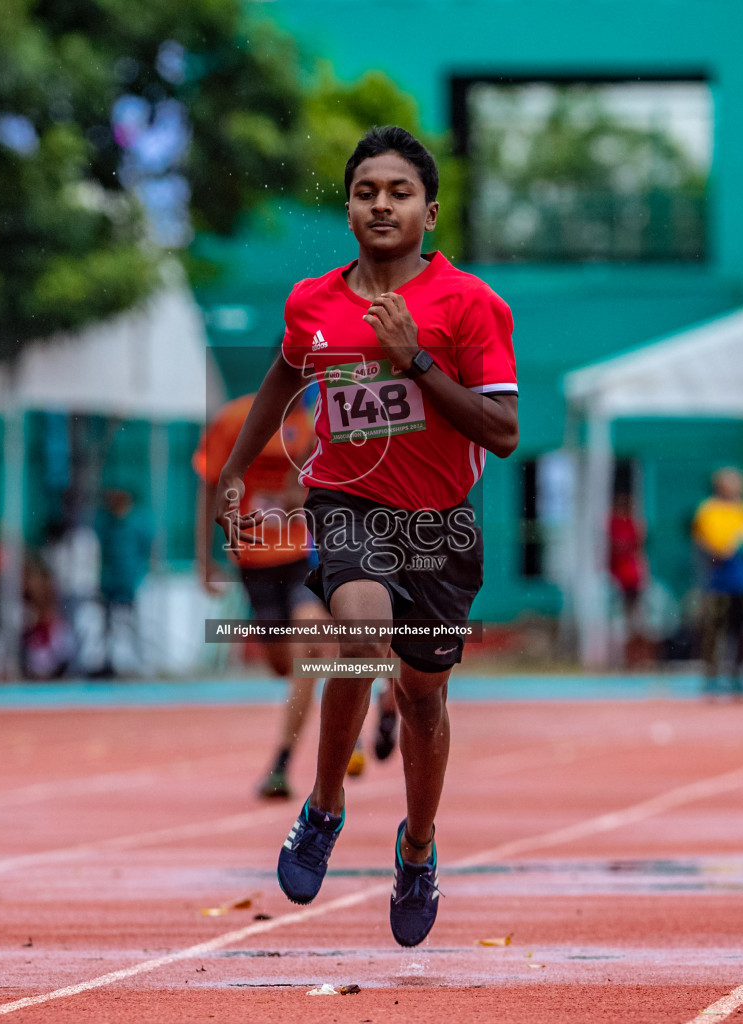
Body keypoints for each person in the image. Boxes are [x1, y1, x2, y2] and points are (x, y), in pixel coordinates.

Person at [213, 126, 518, 947]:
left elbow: (503, 431)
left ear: (431, 210)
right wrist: (238, 468)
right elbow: (284, 373)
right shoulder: (312, 301)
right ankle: (323, 807)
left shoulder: (471, 304)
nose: (382, 203)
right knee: (356, 631)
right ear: (348, 210)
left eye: (400, 191)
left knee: (422, 699)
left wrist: (414, 360)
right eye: (366, 192)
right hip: (347, 504)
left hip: (442, 525)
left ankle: (417, 850)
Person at [195, 390, 374, 800]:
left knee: (314, 647)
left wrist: (306, 503)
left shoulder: (317, 424)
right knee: (283, 664)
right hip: (253, 562)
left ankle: (303, 754)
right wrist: (203, 558)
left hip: (301, 556)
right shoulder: (234, 420)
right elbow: (209, 486)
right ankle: (348, 722)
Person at [692, 467, 743, 700]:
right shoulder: (708, 510)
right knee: (714, 631)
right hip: (717, 584)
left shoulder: (742, 510)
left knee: (741, 631)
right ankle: (711, 677)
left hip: (742, 583)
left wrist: (736, 541)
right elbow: (717, 546)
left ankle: (738, 677)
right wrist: (738, 540)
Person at [91, 489, 152, 677]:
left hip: (127, 583)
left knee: (133, 624)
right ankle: (107, 661)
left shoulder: (134, 526)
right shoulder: (106, 525)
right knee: (107, 627)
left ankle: (140, 663)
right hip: (110, 583)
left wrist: (137, 578)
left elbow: (144, 553)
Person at [608, 491, 651, 667]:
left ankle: (636, 658)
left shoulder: (631, 524)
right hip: (616, 579)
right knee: (623, 620)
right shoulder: (612, 524)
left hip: (631, 579)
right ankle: (623, 657)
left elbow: (636, 544)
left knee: (635, 620)